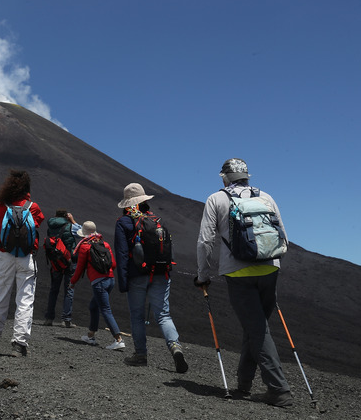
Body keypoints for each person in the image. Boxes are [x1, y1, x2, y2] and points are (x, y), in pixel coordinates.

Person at [194, 158, 292, 407]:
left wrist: (203, 275)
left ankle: (278, 390)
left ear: (224, 178)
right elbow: (284, 238)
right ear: (247, 176)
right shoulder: (266, 197)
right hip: (270, 269)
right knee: (256, 326)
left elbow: (205, 241)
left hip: (239, 273)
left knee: (257, 329)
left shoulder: (216, 199)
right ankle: (244, 384)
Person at [114, 183, 188, 372]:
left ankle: (140, 355)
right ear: (145, 201)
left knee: (137, 317)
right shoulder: (157, 220)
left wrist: (122, 282)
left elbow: (122, 254)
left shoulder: (124, 223)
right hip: (161, 274)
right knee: (163, 314)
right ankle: (176, 347)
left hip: (136, 276)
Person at [0, 169, 44, 357]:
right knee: (25, 300)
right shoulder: (32, 207)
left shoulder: (2, 205)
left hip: (5, 256)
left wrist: (0, 199)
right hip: (26, 258)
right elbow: (39, 221)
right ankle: (19, 343)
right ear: (27, 188)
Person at [69, 221, 125, 350]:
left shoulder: (84, 246)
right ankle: (91, 335)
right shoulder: (105, 244)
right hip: (110, 280)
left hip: (98, 282)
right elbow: (114, 264)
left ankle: (118, 339)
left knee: (105, 310)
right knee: (93, 306)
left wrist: (72, 282)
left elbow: (79, 268)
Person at [42, 209, 81, 328]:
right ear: (66, 216)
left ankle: (49, 318)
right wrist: (73, 220)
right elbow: (83, 232)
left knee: (54, 289)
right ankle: (66, 319)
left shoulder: (51, 227)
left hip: (56, 262)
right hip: (69, 261)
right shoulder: (70, 226)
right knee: (69, 290)